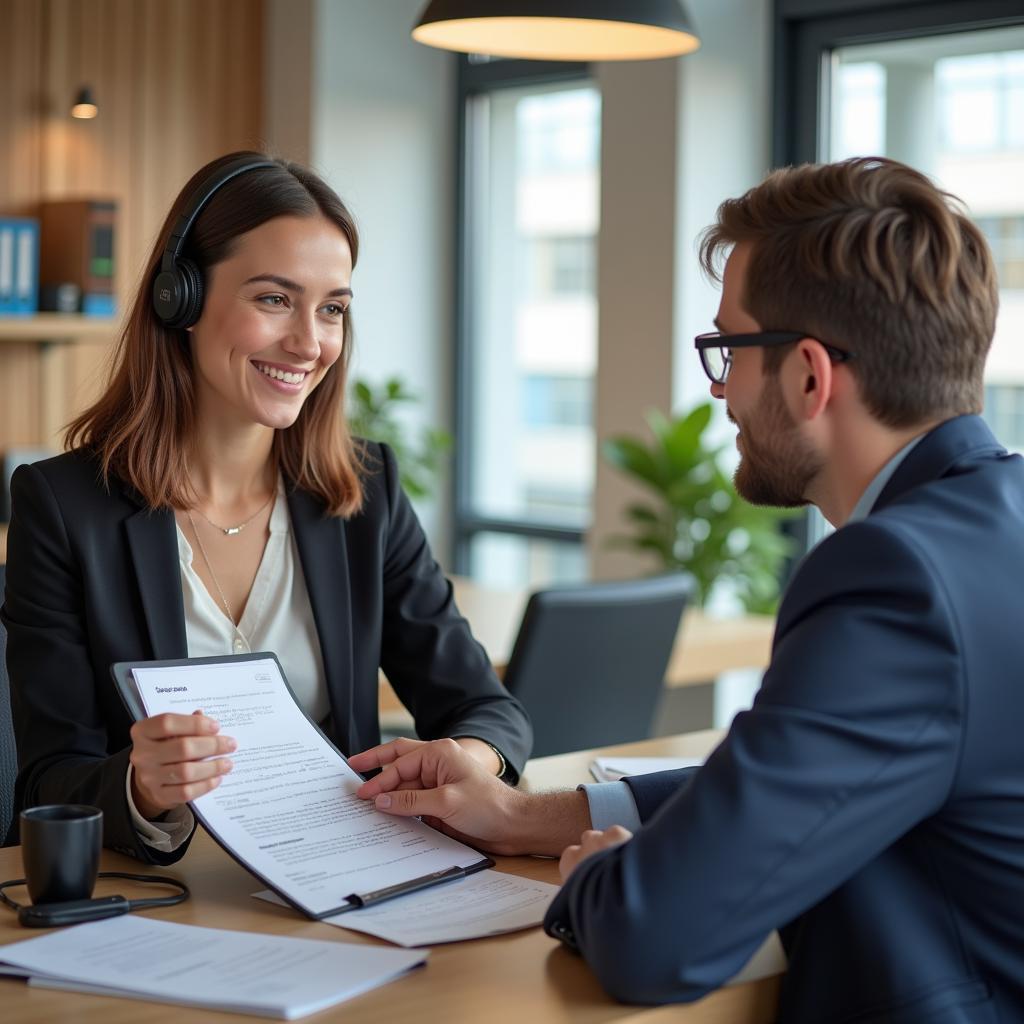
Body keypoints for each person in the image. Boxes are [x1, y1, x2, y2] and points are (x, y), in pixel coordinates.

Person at [349, 157, 1024, 1022]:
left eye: (727, 350)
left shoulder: (895, 579)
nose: (720, 392)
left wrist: (599, 875)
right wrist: (520, 817)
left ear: (810, 375)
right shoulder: (989, 528)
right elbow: (801, 781)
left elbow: (654, 941)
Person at [1, 152, 531, 861]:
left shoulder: (365, 493)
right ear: (179, 300)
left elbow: (487, 709)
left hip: (337, 882)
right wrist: (139, 786)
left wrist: (472, 759)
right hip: (162, 901)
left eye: (333, 309)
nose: (310, 344)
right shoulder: (65, 507)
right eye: (274, 299)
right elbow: (47, 785)